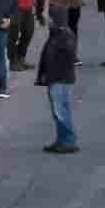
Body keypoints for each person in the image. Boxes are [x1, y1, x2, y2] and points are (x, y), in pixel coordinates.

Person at [36, 22, 78, 153]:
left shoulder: (64, 36)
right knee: (59, 112)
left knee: (61, 112)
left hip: (60, 79)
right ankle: (62, 139)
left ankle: (68, 141)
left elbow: (64, 57)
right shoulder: (57, 34)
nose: (48, 22)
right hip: (57, 78)